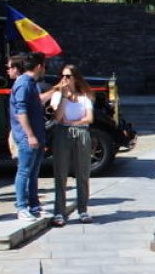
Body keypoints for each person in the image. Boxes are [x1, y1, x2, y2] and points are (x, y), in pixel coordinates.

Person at [48, 64, 94, 226]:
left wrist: (74, 121)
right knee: (61, 173)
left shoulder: (84, 96)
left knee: (83, 172)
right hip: (63, 133)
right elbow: (59, 117)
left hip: (81, 133)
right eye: (63, 76)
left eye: (68, 76)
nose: (65, 79)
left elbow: (89, 118)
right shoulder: (58, 95)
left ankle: (83, 209)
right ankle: (59, 212)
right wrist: (64, 97)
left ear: (75, 78)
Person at [9, 52, 48, 221]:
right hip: (28, 137)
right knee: (24, 172)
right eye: (44, 66)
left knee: (33, 173)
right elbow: (21, 111)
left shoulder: (32, 83)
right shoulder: (24, 84)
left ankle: (34, 205)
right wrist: (30, 135)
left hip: (37, 135)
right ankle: (21, 206)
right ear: (39, 66)